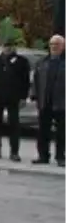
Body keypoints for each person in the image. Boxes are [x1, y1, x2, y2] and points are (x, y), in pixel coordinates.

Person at [0, 37, 30, 161]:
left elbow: (25, 81)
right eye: (5, 45)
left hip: (14, 97)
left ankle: (14, 152)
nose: (7, 48)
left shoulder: (21, 61)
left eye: (10, 46)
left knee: (14, 124)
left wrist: (23, 97)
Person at [31, 34, 66, 167]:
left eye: (57, 44)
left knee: (62, 133)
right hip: (45, 102)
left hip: (61, 103)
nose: (54, 47)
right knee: (43, 131)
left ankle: (61, 156)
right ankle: (43, 155)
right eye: (52, 44)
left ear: (63, 46)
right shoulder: (42, 62)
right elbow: (36, 81)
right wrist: (35, 96)